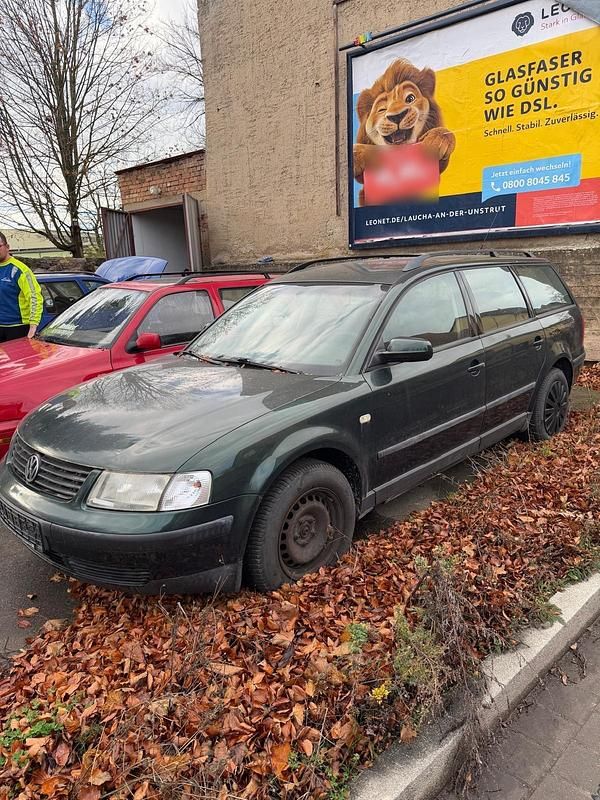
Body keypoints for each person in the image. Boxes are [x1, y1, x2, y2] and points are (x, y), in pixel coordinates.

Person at [0, 231, 43, 342]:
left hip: (17, 328)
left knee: (20, 360)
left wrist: (33, 325)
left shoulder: (20, 270)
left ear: (7, 247)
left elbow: (34, 297)